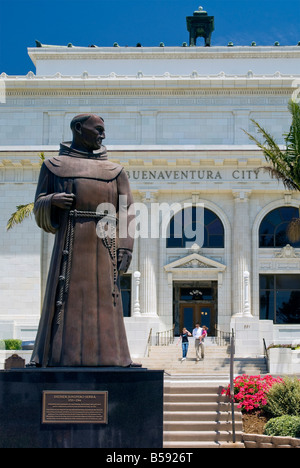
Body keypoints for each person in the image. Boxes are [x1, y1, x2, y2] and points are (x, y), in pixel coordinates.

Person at [30, 114, 135, 367]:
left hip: (104, 246)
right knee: (66, 297)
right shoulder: (53, 166)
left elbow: (127, 210)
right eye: (98, 129)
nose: (103, 135)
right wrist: (52, 200)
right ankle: (58, 356)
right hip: (70, 243)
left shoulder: (116, 172)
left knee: (105, 299)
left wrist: (125, 246)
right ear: (78, 129)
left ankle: (112, 357)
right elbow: (38, 205)